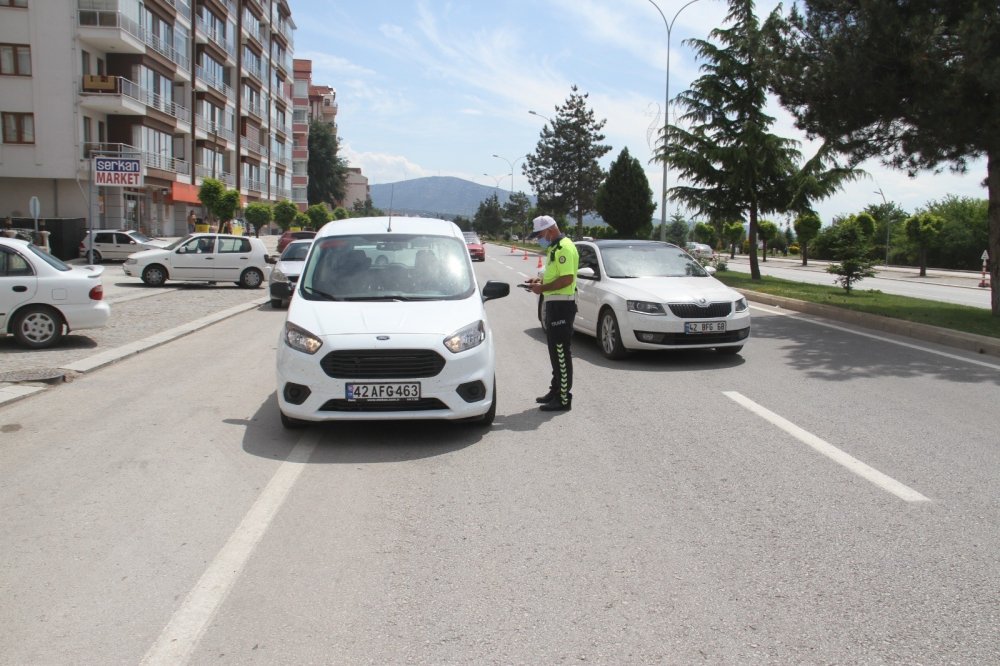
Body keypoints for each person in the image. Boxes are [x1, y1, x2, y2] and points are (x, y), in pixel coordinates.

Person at [525, 215, 579, 412]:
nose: (540, 238)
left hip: (562, 306)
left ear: (549, 230)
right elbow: (554, 274)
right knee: (555, 353)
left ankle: (564, 398)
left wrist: (543, 288)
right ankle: (555, 390)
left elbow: (566, 279)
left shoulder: (564, 248)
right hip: (554, 304)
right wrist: (538, 282)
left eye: (540, 234)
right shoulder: (555, 248)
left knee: (561, 353)